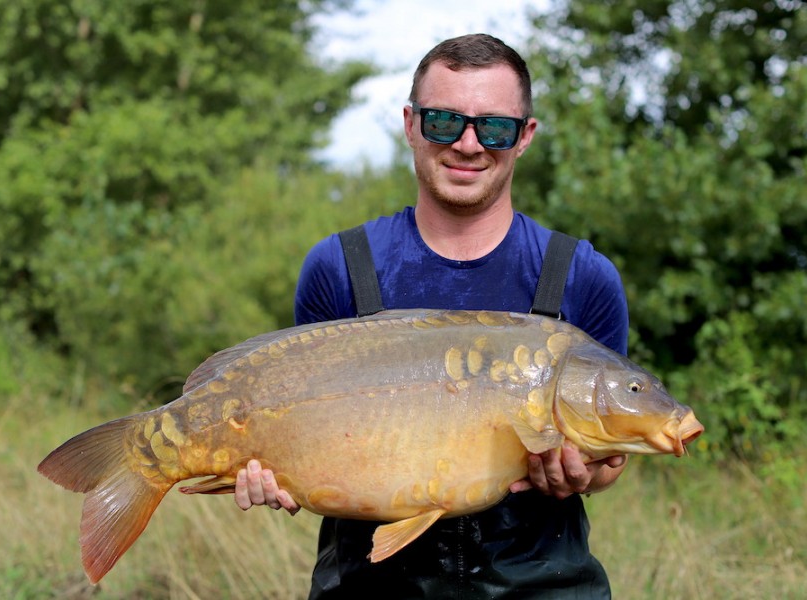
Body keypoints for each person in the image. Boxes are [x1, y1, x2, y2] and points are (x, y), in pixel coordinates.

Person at [234, 33, 629, 598]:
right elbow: (304, 428)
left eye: (494, 127)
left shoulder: (583, 276)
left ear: (525, 137)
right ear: (411, 124)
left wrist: (586, 474)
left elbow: (611, 460)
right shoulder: (339, 268)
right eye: (445, 122)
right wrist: (275, 469)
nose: (469, 144)